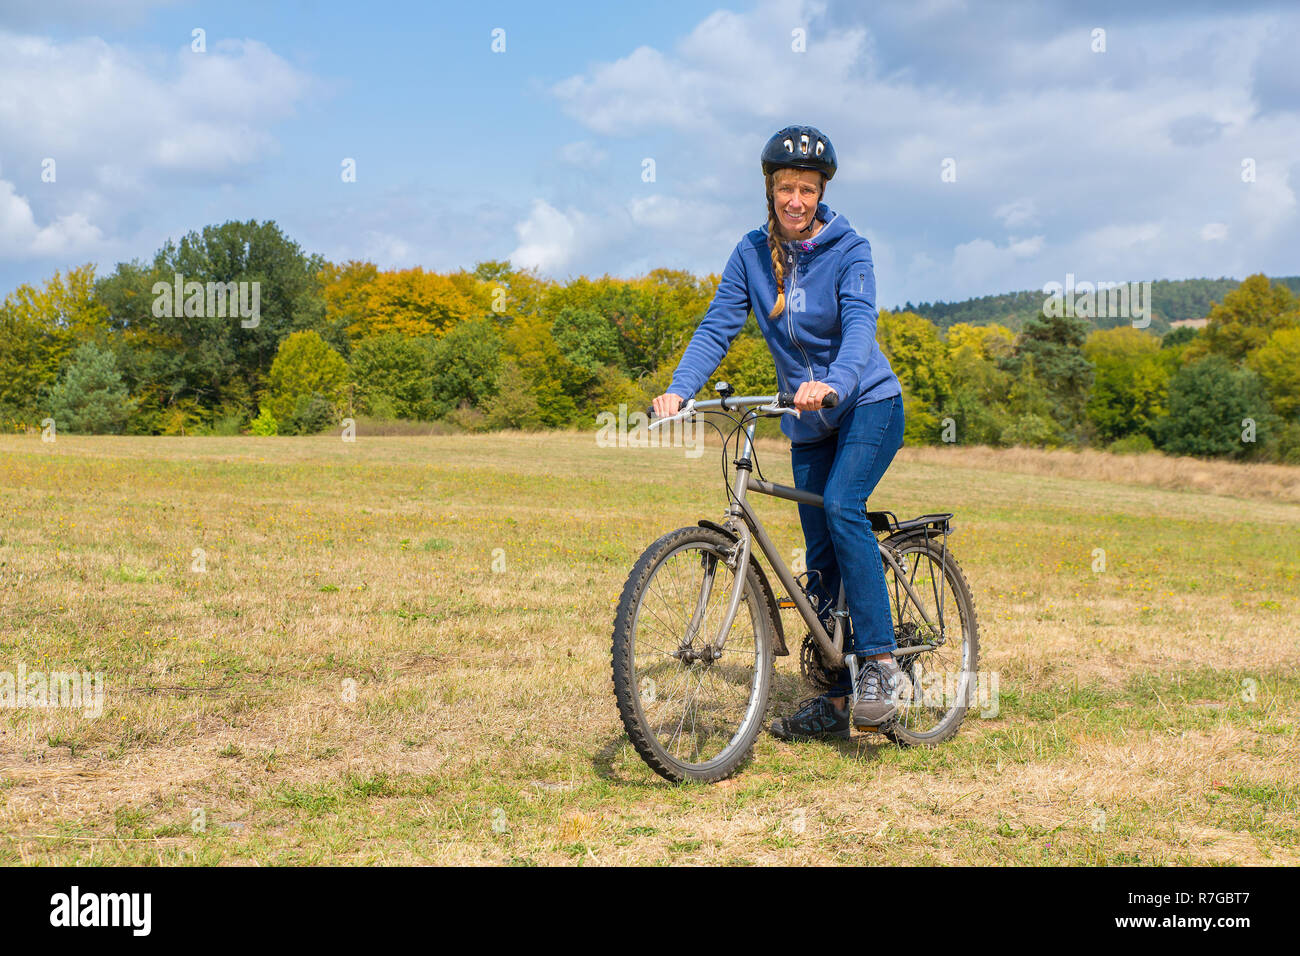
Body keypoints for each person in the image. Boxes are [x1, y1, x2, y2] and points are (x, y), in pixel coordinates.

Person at [650, 124, 906, 742]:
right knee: (820, 556)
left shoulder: (852, 249)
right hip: (806, 418)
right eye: (787, 188)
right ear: (771, 189)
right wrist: (680, 388)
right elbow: (717, 326)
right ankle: (839, 700)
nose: (797, 200)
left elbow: (859, 328)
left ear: (821, 193)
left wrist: (835, 382)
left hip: (866, 403)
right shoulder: (749, 254)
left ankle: (881, 664)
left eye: (808, 190)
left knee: (844, 508)